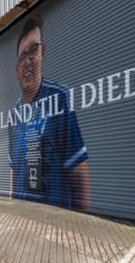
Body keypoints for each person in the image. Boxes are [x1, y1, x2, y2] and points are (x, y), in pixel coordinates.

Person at [9, 16, 90, 210]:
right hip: (22, 216)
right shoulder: (14, 112)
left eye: (33, 51)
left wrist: (83, 224)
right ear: (16, 68)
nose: (27, 61)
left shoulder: (58, 97)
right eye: (22, 56)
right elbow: (13, 170)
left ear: (42, 53)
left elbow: (78, 172)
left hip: (53, 219)